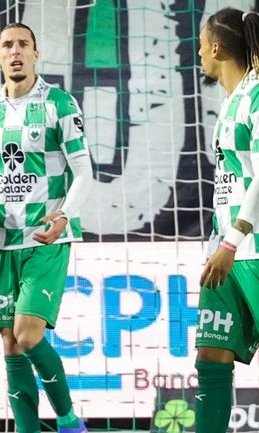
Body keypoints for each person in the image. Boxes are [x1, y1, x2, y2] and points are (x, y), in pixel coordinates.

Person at [0, 23, 93, 433]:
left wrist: (63, 215)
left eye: (23, 45)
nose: (15, 52)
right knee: (9, 341)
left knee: (28, 334)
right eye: (7, 45)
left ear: (35, 54)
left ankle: (67, 419)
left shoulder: (59, 103)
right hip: (1, 238)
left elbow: (84, 171)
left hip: (46, 235)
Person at [195, 8, 259, 433]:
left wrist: (232, 241)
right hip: (229, 255)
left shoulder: (256, 96)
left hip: (247, 251)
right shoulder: (233, 100)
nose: (198, 53)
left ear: (216, 47)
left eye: (200, 44)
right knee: (211, 356)